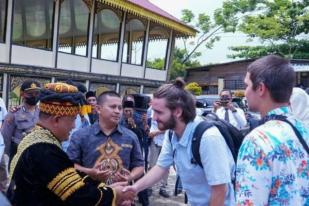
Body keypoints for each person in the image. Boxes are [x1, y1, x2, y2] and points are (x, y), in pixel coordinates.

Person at [10, 82, 134, 205]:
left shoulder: (36, 138)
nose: (74, 125)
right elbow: (78, 197)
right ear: (57, 119)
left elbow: (70, 174)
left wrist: (101, 184)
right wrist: (114, 194)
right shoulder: (44, 150)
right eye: (73, 119)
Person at [123, 78, 235, 205]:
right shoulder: (172, 134)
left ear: (177, 111)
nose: (154, 118)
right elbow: (160, 167)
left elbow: (220, 190)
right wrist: (135, 188)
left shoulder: (208, 138)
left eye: (159, 112)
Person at [236, 55, 309, 205]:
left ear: (261, 88)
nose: (245, 93)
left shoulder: (257, 140)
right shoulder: (303, 130)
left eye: (247, 85)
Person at [67, 91, 144, 190]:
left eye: (120, 108)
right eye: (113, 107)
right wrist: (90, 172)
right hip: (89, 194)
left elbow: (139, 166)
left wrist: (129, 177)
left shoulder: (131, 137)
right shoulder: (80, 136)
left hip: (120, 195)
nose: (117, 111)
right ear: (98, 109)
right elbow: (69, 165)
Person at [1, 80, 41, 159]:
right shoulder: (14, 114)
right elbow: (5, 137)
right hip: (18, 154)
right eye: (30, 94)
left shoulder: (43, 113)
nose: (34, 96)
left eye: (36, 93)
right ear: (22, 94)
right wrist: (6, 157)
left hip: (37, 154)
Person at [148, 110, 170, 198]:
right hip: (155, 142)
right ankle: (149, 187)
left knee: (166, 166)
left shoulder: (169, 111)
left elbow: (171, 127)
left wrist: (157, 132)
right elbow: (150, 129)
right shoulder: (152, 110)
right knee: (152, 165)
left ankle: (163, 187)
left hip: (166, 142)